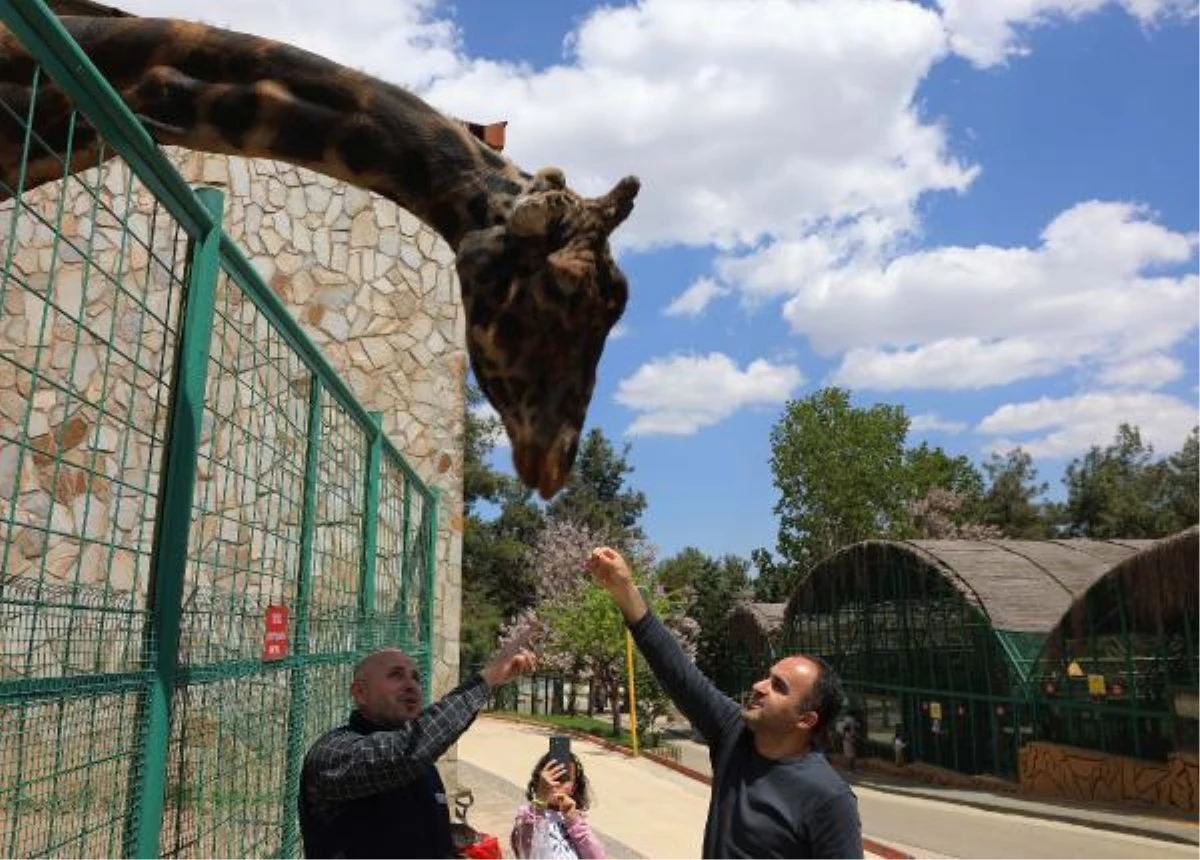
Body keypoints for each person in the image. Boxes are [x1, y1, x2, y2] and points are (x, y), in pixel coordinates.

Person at [586, 546, 862, 860]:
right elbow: (676, 672)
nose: (759, 687)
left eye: (778, 687)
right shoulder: (735, 733)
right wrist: (624, 589)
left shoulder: (828, 798)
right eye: (766, 677)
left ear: (806, 720)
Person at [299, 642, 536, 859]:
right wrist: (488, 678)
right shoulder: (333, 752)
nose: (411, 684)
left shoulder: (423, 766)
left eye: (416, 677)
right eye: (396, 675)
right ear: (360, 693)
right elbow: (407, 751)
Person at [510, 751, 606, 859]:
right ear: (540, 781)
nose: (555, 783)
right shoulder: (528, 816)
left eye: (564, 778)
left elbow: (598, 857)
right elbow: (528, 848)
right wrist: (541, 800)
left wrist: (574, 822)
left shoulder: (575, 821)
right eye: (552, 775)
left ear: (573, 788)